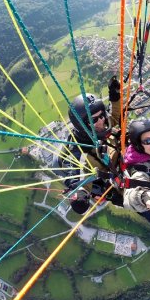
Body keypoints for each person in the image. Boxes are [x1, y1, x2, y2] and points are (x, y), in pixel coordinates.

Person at [55, 76, 123, 214]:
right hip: (108, 182)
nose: (101, 121)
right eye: (94, 120)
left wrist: (115, 96)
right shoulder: (77, 145)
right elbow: (72, 167)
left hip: (119, 164)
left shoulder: (102, 124)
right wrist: (77, 190)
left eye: (102, 115)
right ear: (82, 124)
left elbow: (115, 117)